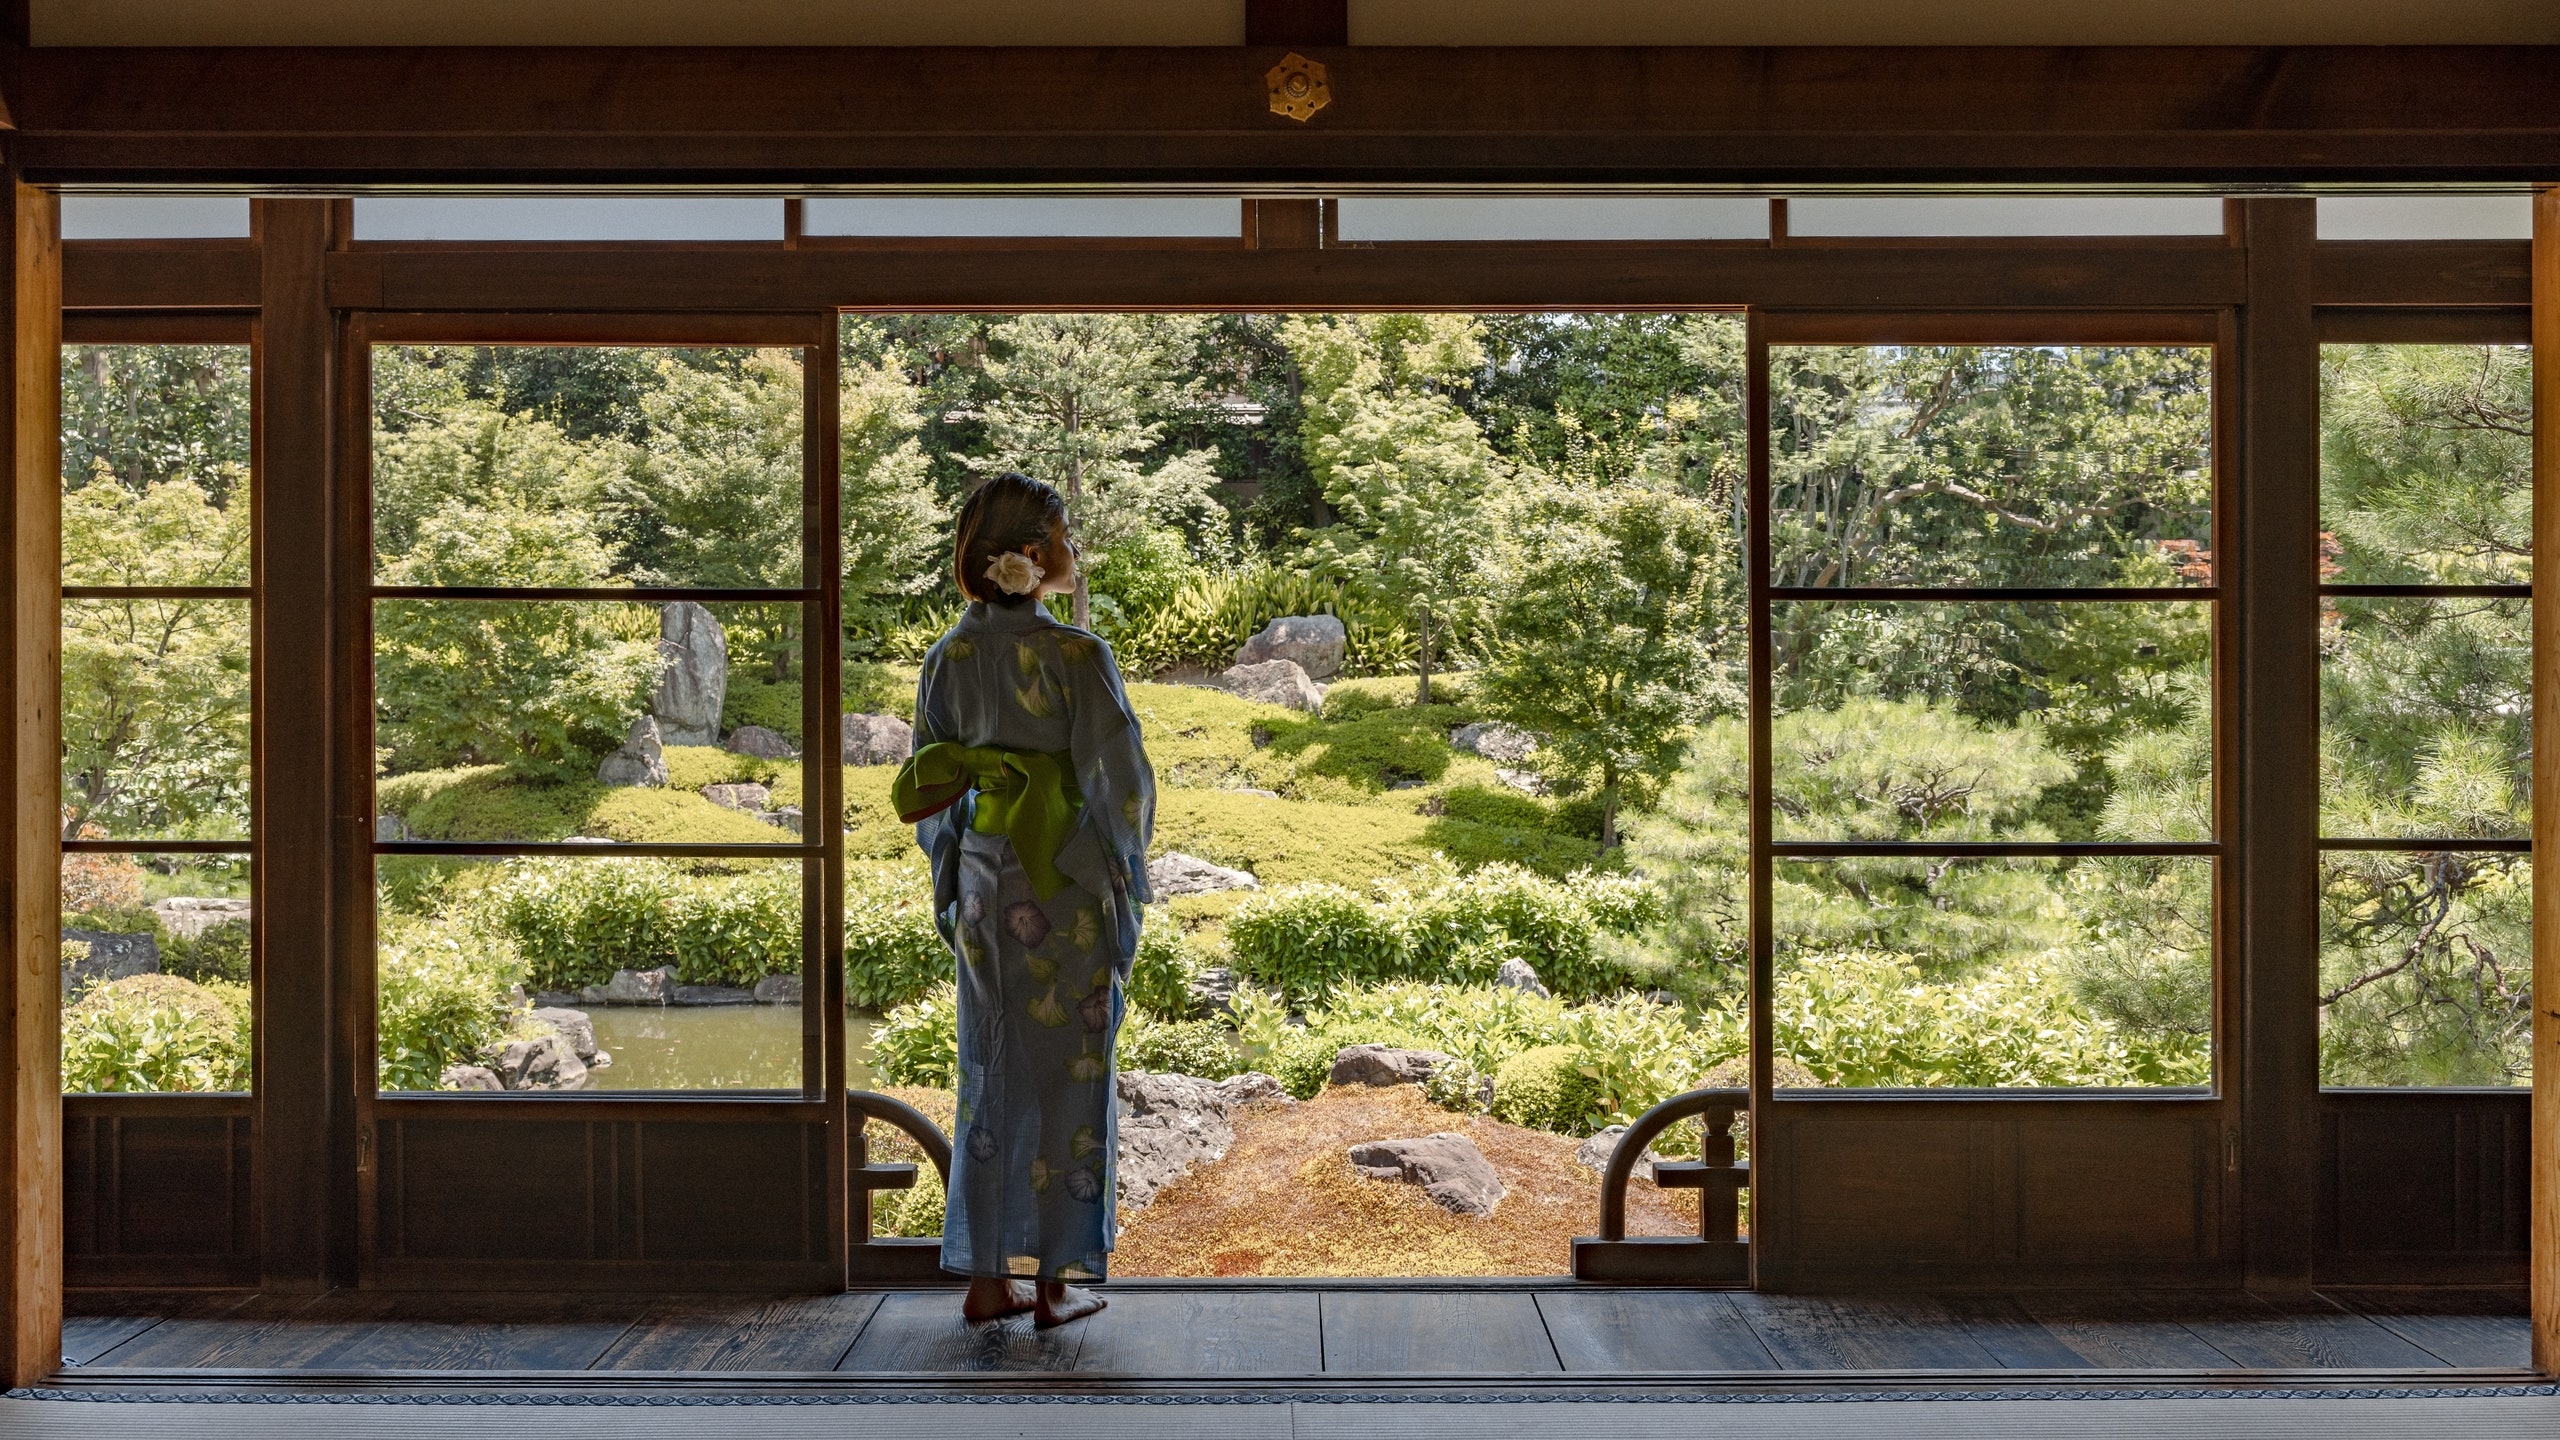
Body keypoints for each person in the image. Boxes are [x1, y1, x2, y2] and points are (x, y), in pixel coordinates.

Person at [891, 472, 1157, 1328]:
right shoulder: (1077, 656)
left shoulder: (949, 657)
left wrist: (961, 870)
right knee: (1073, 1072)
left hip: (983, 881)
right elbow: (1121, 787)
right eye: (1067, 533)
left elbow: (934, 785)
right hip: (1062, 880)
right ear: (1036, 556)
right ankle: (1054, 1282)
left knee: (991, 1065)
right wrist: (1121, 876)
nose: (1075, 547)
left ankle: (983, 1278)